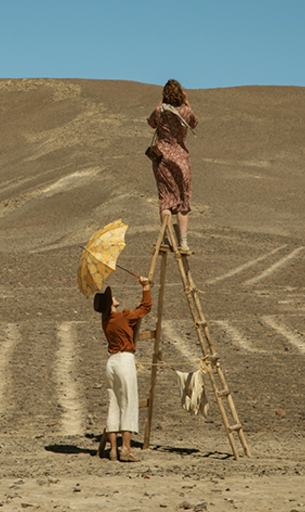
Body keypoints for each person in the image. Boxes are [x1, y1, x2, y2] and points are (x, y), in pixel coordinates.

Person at [93, 275, 152, 462]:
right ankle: (126, 449)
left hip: (111, 362)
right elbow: (145, 308)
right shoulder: (123, 316)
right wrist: (145, 287)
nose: (115, 297)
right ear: (110, 304)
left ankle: (112, 450)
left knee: (114, 403)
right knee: (129, 403)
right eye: (112, 297)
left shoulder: (107, 321)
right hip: (125, 360)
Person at [146, 79, 199, 251]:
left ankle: (167, 239)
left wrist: (162, 103)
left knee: (166, 200)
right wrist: (186, 101)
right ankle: (183, 242)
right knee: (183, 201)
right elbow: (194, 123)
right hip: (181, 159)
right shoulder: (186, 111)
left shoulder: (159, 111)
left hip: (162, 159)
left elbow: (151, 122)